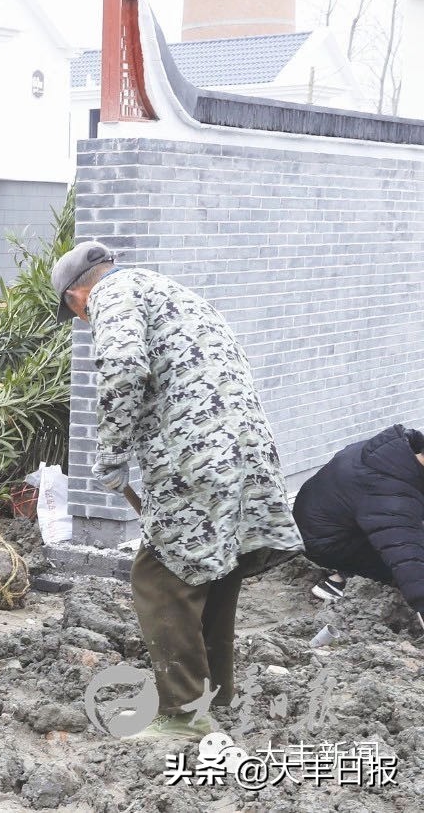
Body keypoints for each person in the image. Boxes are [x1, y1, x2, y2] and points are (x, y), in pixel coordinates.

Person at [52, 241, 302, 741]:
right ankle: (217, 693)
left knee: (160, 576)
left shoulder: (113, 294)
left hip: (196, 458)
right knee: (214, 566)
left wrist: (112, 456)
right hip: (242, 450)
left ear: (79, 296)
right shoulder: (169, 293)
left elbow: (123, 369)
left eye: (77, 315)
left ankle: (184, 717)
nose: (83, 323)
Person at [292, 424, 424, 629]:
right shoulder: (390, 494)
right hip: (325, 542)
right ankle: (344, 577)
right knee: (404, 557)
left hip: (325, 518)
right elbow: (409, 561)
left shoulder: (395, 450)